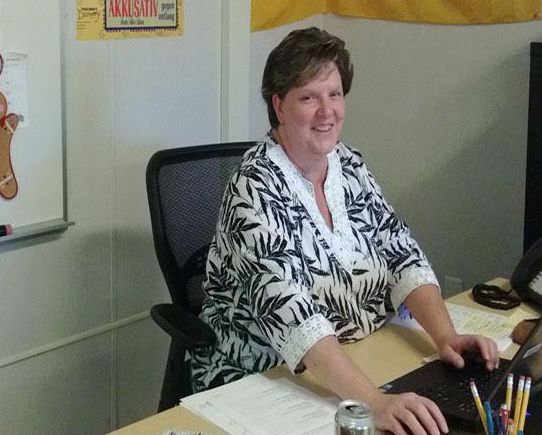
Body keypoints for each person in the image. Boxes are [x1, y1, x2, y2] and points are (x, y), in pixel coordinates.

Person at [190, 27, 499, 435]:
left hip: (357, 361)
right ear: (279, 106)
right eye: (309, 97)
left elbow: (402, 256)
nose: (327, 111)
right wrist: (371, 402)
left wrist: (446, 337)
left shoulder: (349, 165)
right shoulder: (254, 189)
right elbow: (295, 320)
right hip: (267, 379)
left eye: (334, 94)